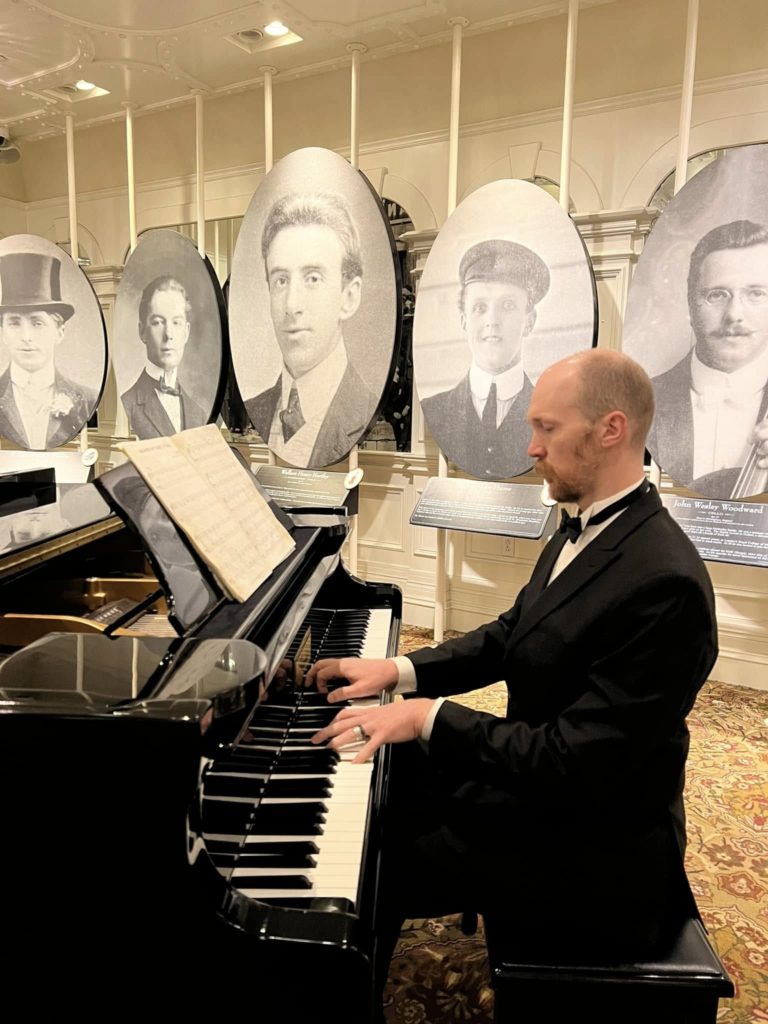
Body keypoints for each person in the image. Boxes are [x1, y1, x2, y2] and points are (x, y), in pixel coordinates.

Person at [307, 348, 718, 1015]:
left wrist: (426, 717)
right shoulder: (583, 519)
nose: (530, 447)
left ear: (611, 430)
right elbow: (512, 634)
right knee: (386, 782)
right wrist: (400, 670)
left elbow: (574, 759)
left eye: (548, 429)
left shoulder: (662, 582)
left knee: (373, 857)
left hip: (599, 842)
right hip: (549, 785)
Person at [244, 192, 379, 468]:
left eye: (313, 278)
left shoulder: (368, 411)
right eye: (281, 280)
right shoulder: (256, 409)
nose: (292, 305)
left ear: (349, 297)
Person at [647, 219, 768, 497]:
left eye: (756, 294)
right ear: (691, 304)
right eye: (717, 295)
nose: (734, 314)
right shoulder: (640, 402)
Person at [421, 238, 550, 479]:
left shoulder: (552, 417)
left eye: (508, 305)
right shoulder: (435, 409)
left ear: (529, 321)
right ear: (463, 321)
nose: (493, 320)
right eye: (480, 307)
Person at [0, 251, 97, 450]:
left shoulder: (86, 399)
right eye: (14, 323)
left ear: (59, 332)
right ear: (2, 333)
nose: (26, 336)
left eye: (37, 323)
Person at [121, 275, 206, 439]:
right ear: (142, 331)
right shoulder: (128, 404)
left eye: (176, 322)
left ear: (186, 332)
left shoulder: (198, 414)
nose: (169, 334)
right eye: (158, 322)